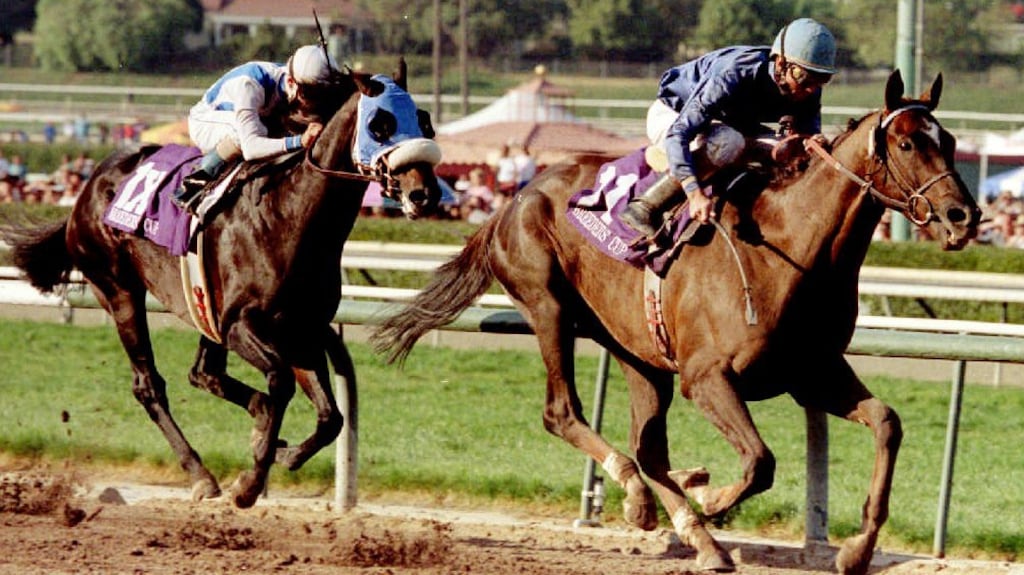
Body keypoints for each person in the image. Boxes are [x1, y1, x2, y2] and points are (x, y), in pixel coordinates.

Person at [621, 17, 837, 238]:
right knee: (729, 142)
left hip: (725, 124)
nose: (810, 88)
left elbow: (805, 138)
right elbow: (679, 134)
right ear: (780, 63)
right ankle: (645, 206)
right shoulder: (734, 72)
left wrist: (810, 142)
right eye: (803, 77)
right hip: (673, 115)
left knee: (781, 149)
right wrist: (694, 194)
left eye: (821, 79)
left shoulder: (808, 89)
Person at [172, 44, 337, 211]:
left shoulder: (299, 81)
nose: (313, 102)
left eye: (319, 95)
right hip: (205, 121)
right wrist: (300, 141)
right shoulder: (250, 84)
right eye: (309, 95)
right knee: (251, 132)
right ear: (290, 82)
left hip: (255, 116)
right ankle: (194, 184)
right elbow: (251, 148)